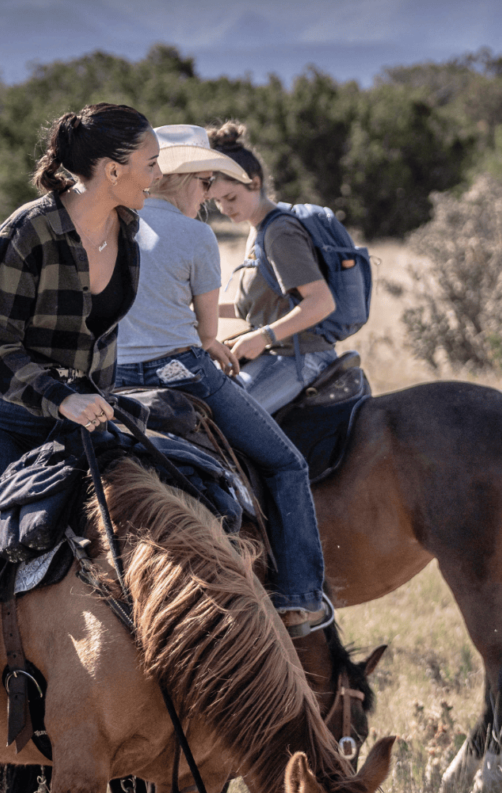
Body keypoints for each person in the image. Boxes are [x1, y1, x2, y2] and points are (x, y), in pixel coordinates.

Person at [113, 125, 328, 628]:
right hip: (179, 372)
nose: (208, 196)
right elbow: (208, 331)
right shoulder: (195, 234)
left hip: (112, 379)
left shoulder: (114, 224)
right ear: (187, 179)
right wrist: (214, 345)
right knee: (286, 464)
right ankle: (299, 594)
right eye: (206, 183)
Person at [0, 103, 161, 601]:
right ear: (113, 170)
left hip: (85, 423)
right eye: (151, 164)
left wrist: (94, 401)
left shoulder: (128, 233)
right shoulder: (26, 232)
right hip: (5, 421)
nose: (159, 176)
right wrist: (62, 397)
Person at [204, 122, 344, 414]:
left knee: (228, 419)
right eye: (217, 200)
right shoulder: (258, 228)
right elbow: (258, 307)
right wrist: (197, 310)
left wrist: (264, 336)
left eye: (230, 198)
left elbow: (321, 302)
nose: (224, 209)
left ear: (254, 183)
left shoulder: (279, 232)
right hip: (280, 353)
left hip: (300, 358)